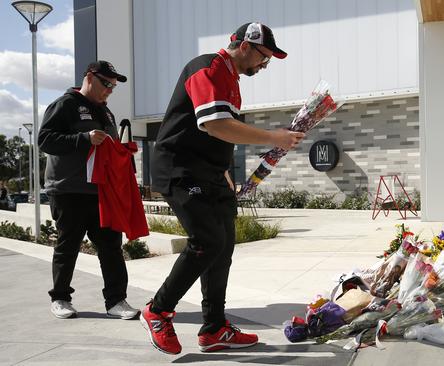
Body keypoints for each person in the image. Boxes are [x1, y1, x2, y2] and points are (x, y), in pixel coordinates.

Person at [140, 22, 304, 355]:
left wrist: (225, 172)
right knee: (208, 241)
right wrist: (275, 137)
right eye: (264, 58)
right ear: (246, 46)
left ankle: (214, 328)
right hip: (180, 170)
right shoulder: (206, 68)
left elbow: (218, 136)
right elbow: (214, 125)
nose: (264, 65)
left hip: (210, 173)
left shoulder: (231, 79)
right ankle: (158, 310)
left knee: (224, 245)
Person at [38, 61, 139, 320]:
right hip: (68, 189)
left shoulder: (107, 114)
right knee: (68, 245)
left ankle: (116, 301)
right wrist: (83, 138)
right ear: (90, 78)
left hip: (101, 191)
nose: (110, 90)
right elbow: (45, 140)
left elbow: (111, 149)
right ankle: (60, 298)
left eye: (113, 86)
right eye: (107, 83)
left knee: (111, 246)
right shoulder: (65, 104)